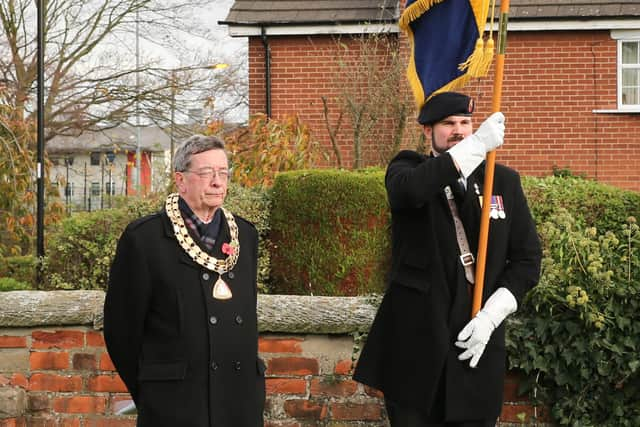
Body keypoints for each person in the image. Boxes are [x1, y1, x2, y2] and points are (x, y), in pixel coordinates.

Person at [353, 92, 542, 426]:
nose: (458, 130)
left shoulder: (504, 181)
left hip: (476, 343)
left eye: (466, 123)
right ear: (428, 131)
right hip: (416, 350)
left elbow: (527, 260)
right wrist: (474, 147)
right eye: (448, 123)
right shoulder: (408, 168)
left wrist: (492, 315)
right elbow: (410, 192)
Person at [104, 135, 265, 427]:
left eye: (223, 173)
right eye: (206, 173)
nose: (217, 182)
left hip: (239, 403)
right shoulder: (144, 239)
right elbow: (121, 333)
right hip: (175, 406)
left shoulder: (246, 235)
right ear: (181, 180)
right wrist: (153, 389)